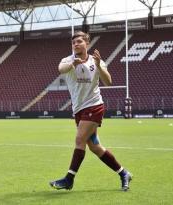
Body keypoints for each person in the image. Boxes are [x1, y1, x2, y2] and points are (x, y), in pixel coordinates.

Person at [49, 31, 132, 191]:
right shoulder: (68, 60)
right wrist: (73, 64)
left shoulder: (96, 61)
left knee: (80, 140)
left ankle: (69, 179)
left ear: (87, 43)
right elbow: (61, 69)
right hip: (79, 110)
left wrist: (100, 65)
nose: (76, 45)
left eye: (79, 42)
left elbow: (108, 82)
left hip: (94, 106)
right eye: (73, 43)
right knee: (95, 147)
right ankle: (123, 173)